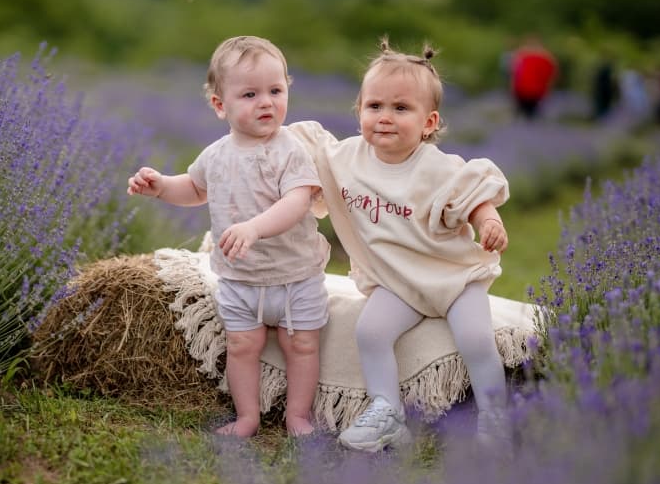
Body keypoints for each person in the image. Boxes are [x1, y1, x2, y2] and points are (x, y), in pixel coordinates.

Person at [289, 39, 511, 452]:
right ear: (358, 113)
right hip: (396, 283)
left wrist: (489, 220)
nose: (385, 117)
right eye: (374, 107)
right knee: (370, 331)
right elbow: (304, 146)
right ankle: (386, 412)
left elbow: (474, 193)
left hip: (452, 277)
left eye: (401, 108)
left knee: (477, 339)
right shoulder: (346, 160)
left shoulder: (436, 167)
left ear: (429, 123)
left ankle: (495, 420)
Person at [127, 36, 331, 438]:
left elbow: (297, 200)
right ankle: (247, 417)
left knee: (302, 347)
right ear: (221, 105)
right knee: (242, 347)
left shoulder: (289, 150)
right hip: (240, 279)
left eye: (276, 91)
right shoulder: (217, 154)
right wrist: (163, 186)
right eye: (250, 94)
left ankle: (298, 416)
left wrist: (254, 228)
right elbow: (196, 188)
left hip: (296, 275)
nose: (266, 102)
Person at [509, 35, 557, 119]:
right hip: (538, 90)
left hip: (522, 89)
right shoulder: (547, 57)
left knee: (525, 114)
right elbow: (552, 75)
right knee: (532, 115)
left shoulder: (521, 55)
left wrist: (513, 88)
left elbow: (514, 73)